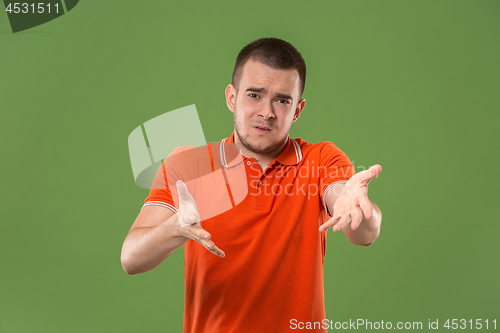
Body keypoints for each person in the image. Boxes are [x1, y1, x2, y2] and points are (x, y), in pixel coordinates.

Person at [121, 37, 382, 333]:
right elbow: (131, 258)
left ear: (297, 109)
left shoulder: (321, 159)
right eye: (255, 95)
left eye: (282, 100)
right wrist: (173, 229)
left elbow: (364, 233)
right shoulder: (189, 164)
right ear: (231, 97)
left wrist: (357, 208)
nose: (267, 112)